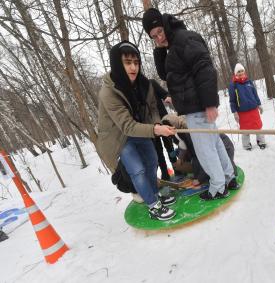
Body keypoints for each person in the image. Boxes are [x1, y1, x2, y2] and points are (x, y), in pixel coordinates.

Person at [142, 8, 237, 200]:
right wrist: (160, 50)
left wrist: (210, 103)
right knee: (215, 142)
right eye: (153, 36)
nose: (159, 38)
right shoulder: (172, 45)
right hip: (195, 106)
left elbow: (205, 68)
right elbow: (164, 74)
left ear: (165, 24)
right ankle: (229, 177)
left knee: (205, 149)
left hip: (198, 105)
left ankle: (218, 187)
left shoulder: (184, 39)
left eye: (160, 32)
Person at [97, 40, 177, 221]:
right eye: (127, 62)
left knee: (152, 160)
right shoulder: (108, 92)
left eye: (136, 62)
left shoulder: (143, 84)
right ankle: (153, 206)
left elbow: (152, 110)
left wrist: (159, 124)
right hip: (120, 137)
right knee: (138, 170)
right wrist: (157, 130)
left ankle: (155, 194)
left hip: (139, 130)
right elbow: (126, 126)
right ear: (118, 64)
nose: (133, 67)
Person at [162, 114, 238, 188]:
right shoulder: (180, 130)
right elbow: (184, 146)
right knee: (214, 169)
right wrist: (180, 157)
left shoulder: (188, 132)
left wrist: (199, 179)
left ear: (173, 126)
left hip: (224, 146)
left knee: (224, 168)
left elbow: (201, 157)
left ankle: (230, 181)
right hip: (214, 147)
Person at [229, 63, 266, 150]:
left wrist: (259, 104)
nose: (241, 72)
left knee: (258, 127)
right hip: (242, 112)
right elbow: (232, 100)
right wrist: (234, 112)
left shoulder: (249, 82)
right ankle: (246, 145)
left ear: (244, 71)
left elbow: (255, 94)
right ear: (235, 73)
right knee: (245, 131)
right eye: (238, 71)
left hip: (253, 110)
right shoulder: (233, 85)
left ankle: (261, 142)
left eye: (242, 71)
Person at [150, 79, 177, 180]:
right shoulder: (136, 90)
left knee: (170, 147)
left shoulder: (151, 83)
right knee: (158, 151)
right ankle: (165, 173)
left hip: (163, 120)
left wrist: (167, 97)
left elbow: (164, 94)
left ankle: (176, 167)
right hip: (151, 126)